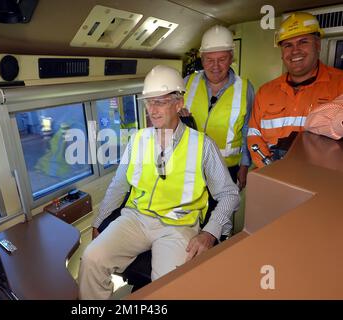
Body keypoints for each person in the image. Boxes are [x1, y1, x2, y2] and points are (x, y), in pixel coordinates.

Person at [78, 65, 240, 300]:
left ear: (178, 104)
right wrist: (100, 218)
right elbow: (119, 184)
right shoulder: (137, 140)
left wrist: (209, 232)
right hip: (136, 219)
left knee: (168, 289)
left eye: (160, 102)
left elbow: (229, 194)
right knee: (92, 257)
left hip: (178, 225)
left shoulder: (203, 145)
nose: (151, 110)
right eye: (148, 102)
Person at [247, 12, 343, 167]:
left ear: (318, 45)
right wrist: (270, 170)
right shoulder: (265, 91)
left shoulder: (340, 84)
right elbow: (254, 135)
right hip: (271, 174)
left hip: (321, 181)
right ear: (281, 52)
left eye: (303, 42)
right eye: (288, 45)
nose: (295, 51)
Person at [180, 25, 254, 190]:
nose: (215, 66)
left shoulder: (245, 88)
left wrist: (244, 167)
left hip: (227, 169)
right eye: (209, 60)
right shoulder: (187, 82)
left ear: (231, 58)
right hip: (191, 166)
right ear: (202, 58)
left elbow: (248, 130)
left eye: (222, 59)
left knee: (221, 214)